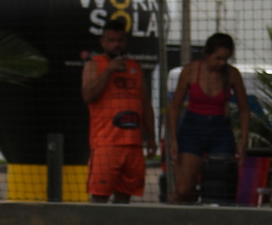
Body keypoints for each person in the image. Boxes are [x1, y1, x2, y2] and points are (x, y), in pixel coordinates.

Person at [166, 32, 250, 203]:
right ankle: (177, 212)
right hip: (192, 129)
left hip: (220, 131)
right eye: (218, 58)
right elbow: (174, 107)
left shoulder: (232, 74)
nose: (222, 63)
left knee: (221, 188)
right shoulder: (190, 71)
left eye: (226, 59)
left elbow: (244, 109)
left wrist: (243, 141)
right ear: (207, 54)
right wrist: (173, 139)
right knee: (183, 188)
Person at [82, 15, 156, 204]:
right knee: (99, 198)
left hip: (133, 145)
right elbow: (88, 96)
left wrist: (152, 137)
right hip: (106, 144)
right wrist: (109, 70)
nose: (116, 45)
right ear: (103, 42)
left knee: (124, 200)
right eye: (111, 40)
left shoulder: (135, 67)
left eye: (120, 40)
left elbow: (145, 105)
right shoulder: (94, 65)